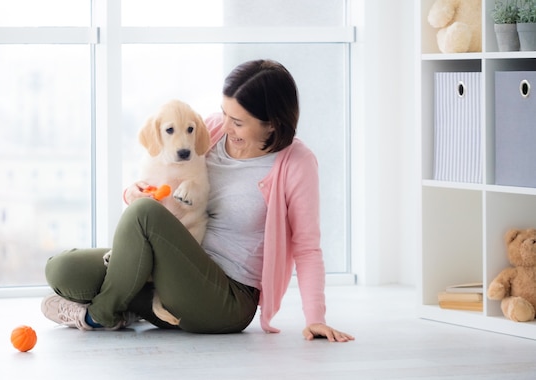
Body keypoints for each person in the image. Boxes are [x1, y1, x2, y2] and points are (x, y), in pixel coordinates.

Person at [41, 59, 354, 342]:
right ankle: (147, 308)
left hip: (226, 297)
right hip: (168, 269)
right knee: (63, 270)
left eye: (239, 122)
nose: (226, 125)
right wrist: (132, 192)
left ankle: (100, 315)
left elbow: (307, 245)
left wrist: (316, 319)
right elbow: (160, 169)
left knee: (144, 215)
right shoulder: (212, 130)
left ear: (272, 123)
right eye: (225, 112)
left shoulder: (296, 163)